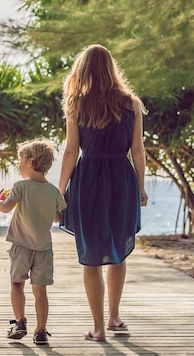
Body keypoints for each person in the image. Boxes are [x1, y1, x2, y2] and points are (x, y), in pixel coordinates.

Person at [57, 44, 148, 342]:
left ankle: (98, 327)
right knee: (118, 250)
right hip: (121, 178)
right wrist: (142, 186)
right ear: (111, 68)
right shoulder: (131, 103)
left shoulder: (76, 103)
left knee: (91, 254)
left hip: (88, 179)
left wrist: (60, 191)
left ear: (82, 70)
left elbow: (71, 151)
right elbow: (137, 150)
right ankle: (113, 316)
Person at [0, 138, 67, 346]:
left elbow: (6, 208)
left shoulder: (21, 186)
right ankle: (41, 331)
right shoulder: (53, 191)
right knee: (40, 290)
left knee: (17, 283)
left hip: (21, 246)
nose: (19, 164)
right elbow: (57, 218)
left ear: (29, 161)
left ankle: (20, 323)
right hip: (44, 248)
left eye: (20, 159)